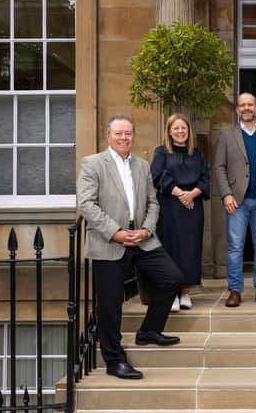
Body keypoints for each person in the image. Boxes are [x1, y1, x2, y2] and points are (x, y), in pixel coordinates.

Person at [78, 114, 184, 379]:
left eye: (128, 133)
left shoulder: (142, 165)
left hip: (142, 239)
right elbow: (87, 204)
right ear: (108, 135)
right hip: (110, 241)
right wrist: (116, 233)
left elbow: (153, 202)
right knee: (111, 303)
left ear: (134, 136)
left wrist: (146, 229)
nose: (124, 138)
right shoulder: (92, 164)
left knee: (172, 278)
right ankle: (114, 360)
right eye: (118, 133)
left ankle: (149, 330)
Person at [213, 92, 256, 307]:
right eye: (242, 105)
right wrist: (226, 194)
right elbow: (219, 166)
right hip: (237, 202)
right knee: (235, 247)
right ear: (237, 110)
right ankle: (235, 290)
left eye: (250, 105)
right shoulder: (227, 136)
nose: (246, 108)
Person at [151, 113, 210, 311]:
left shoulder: (198, 153)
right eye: (175, 128)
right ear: (169, 131)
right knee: (170, 248)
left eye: (183, 128)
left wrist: (191, 194)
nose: (180, 131)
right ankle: (171, 294)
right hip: (169, 206)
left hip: (192, 208)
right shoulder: (161, 152)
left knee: (190, 250)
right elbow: (157, 176)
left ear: (188, 131)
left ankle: (185, 292)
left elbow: (204, 178)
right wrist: (180, 194)